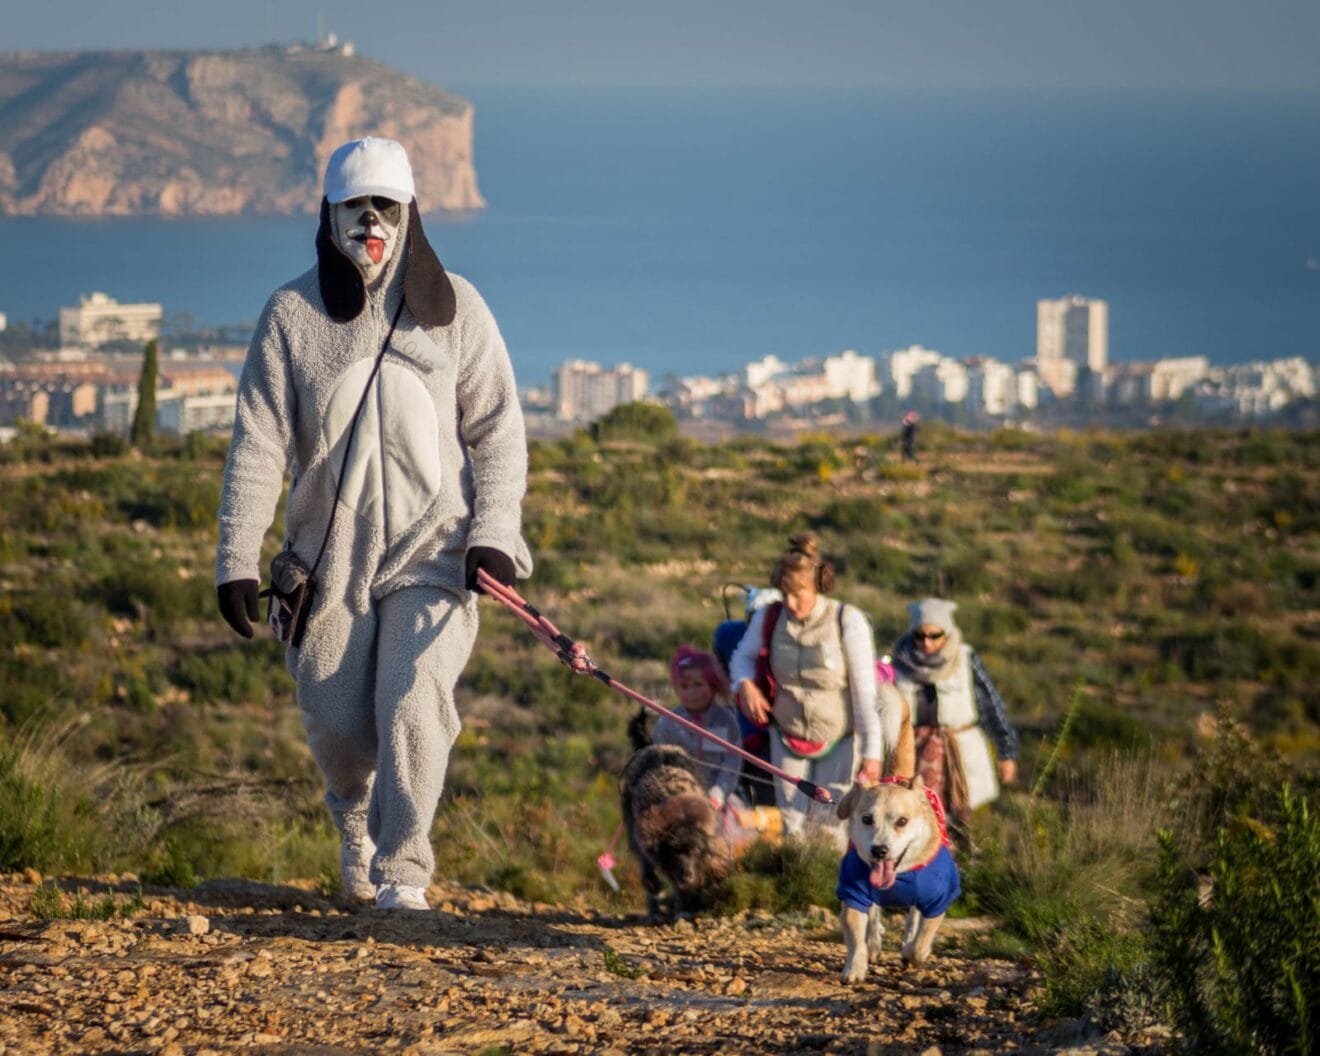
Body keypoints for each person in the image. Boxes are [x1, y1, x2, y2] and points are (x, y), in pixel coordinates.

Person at [214, 137, 532, 911]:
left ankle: (403, 875)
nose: (370, 223)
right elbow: (258, 442)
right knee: (337, 721)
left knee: (413, 699)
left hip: (435, 552)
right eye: (355, 207)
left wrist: (494, 533)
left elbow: (498, 428)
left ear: (409, 212)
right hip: (329, 563)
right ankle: (353, 821)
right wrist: (236, 558)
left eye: (385, 206)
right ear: (328, 215)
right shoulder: (291, 315)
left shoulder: (456, 309)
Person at [728, 533, 894, 847]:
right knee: (791, 824)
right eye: (784, 594)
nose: (790, 604)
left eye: (798, 594)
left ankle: (829, 877)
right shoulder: (769, 617)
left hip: (840, 737)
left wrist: (872, 754)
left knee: (831, 824)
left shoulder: (847, 620)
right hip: (787, 734)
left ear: (818, 585)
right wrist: (745, 685)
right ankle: (796, 876)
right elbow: (741, 658)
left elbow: (865, 694)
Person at [890, 598, 1019, 833]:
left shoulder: (965, 659)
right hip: (912, 752)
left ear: (947, 632)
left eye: (934, 635)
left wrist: (1006, 753)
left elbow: (991, 705)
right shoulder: (898, 662)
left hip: (959, 751)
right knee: (912, 819)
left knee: (965, 824)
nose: (927, 642)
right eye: (920, 635)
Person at [651, 646, 744, 809]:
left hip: (719, 800)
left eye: (698, 684)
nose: (691, 692)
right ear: (676, 689)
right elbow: (660, 764)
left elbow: (732, 763)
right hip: (677, 799)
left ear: (712, 685)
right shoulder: (667, 723)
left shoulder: (726, 722)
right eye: (684, 686)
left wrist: (718, 793)